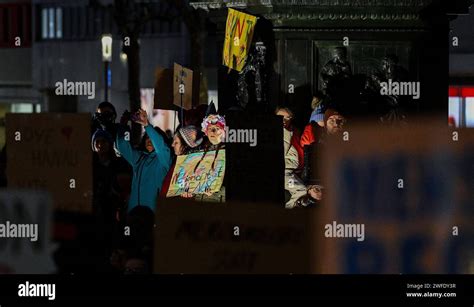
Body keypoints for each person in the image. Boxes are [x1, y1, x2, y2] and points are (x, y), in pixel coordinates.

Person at [116, 109, 172, 213]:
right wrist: (123, 124)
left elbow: (160, 146)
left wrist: (147, 125)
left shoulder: (164, 159)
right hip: (133, 214)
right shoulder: (140, 158)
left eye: (152, 138)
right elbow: (123, 146)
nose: (149, 140)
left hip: (153, 215)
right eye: (146, 138)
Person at [160, 125, 203, 197]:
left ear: (185, 146)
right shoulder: (176, 163)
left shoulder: (193, 167)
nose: (172, 145)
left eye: (176, 142)